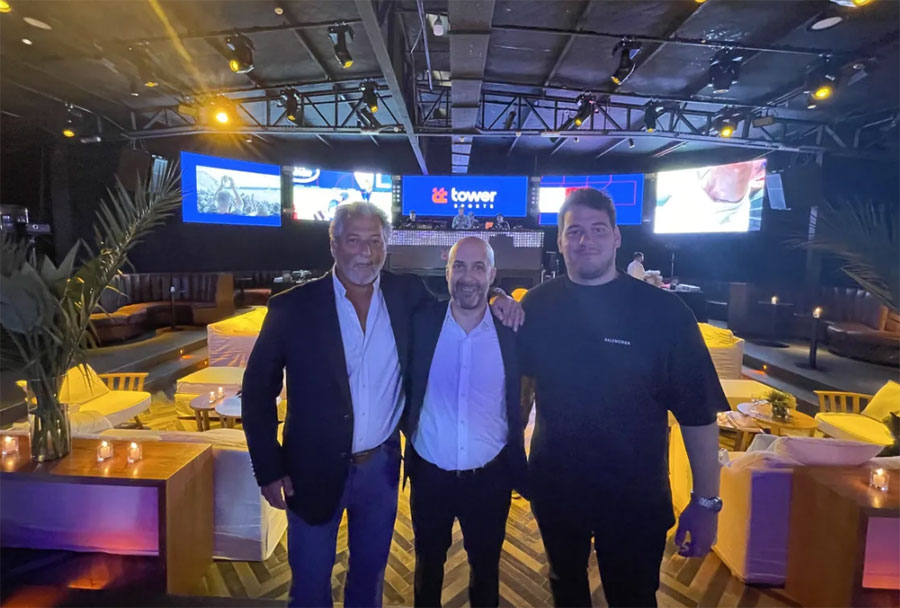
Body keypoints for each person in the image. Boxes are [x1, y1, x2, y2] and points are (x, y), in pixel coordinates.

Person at [242, 202, 524, 608]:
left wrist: (498, 296)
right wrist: (269, 468)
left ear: (386, 246)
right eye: (354, 240)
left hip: (381, 470)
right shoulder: (293, 307)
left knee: (369, 582)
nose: (365, 251)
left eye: (375, 241)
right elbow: (256, 390)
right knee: (309, 586)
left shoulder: (405, 295)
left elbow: (466, 295)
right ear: (333, 244)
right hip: (311, 469)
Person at [518, 188, 727, 607]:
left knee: (633, 597)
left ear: (617, 237)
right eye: (574, 231)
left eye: (598, 229)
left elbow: (698, 414)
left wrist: (705, 503)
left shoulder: (665, 313)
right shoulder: (537, 306)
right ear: (560, 241)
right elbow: (519, 393)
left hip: (635, 496)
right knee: (565, 588)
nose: (585, 240)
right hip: (556, 489)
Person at [404, 237, 528, 608]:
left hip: (490, 478)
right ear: (447, 272)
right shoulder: (421, 322)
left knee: (486, 572)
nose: (468, 276)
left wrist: (501, 297)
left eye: (478, 267)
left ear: (492, 273)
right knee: (427, 570)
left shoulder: (511, 330)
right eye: (459, 266)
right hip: (429, 475)